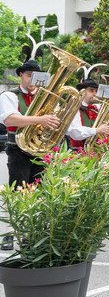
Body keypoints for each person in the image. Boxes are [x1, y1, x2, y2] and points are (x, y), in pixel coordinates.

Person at [0, 58, 59, 250]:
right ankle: (10, 233)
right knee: (18, 192)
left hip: (40, 149)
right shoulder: (10, 95)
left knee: (38, 192)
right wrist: (40, 119)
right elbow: (9, 119)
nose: (32, 80)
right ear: (21, 75)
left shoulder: (45, 97)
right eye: (28, 75)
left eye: (36, 76)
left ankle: (30, 234)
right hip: (18, 149)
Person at [66, 76, 109, 149]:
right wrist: (97, 130)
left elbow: (105, 130)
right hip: (79, 152)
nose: (95, 94)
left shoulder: (98, 108)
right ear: (83, 92)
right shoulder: (75, 109)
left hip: (99, 151)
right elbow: (75, 132)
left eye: (96, 91)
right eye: (91, 91)